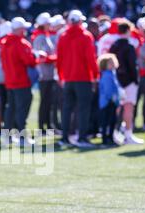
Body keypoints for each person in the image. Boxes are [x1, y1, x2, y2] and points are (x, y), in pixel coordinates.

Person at [57, 10, 99, 148]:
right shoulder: (86, 36)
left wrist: (61, 76)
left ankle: (64, 138)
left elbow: (60, 59)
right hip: (83, 78)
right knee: (83, 109)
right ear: (80, 21)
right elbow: (90, 59)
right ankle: (81, 138)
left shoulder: (63, 36)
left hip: (68, 78)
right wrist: (95, 75)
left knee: (67, 109)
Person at [0, 16, 40, 147]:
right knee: (21, 109)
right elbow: (29, 61)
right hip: (21, 81)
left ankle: (7, 137)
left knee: (10, 109)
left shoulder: (5, 42)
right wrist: (37, 57)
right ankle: (22, 138)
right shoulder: (21, 43)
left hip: (10, 81)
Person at [109, 21, 143, 144]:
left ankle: (115, 133)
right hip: (128, 82)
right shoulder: (129, 46)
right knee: (128, 108)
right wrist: (135, 80)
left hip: (117, 81)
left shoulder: (114, 45)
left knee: (118, 108)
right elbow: (132, 67)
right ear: (128, 30)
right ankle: (128, 135)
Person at [32, 12, 57, 132]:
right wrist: (56, 58)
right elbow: (41, 57)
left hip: (49, 73)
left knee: (49, 100)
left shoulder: (45, 36)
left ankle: (48, 124)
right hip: (43, 74)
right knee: (44, 101)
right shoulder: (39, 37)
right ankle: (42, 126)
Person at [98, 53, 120, 146]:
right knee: (106, 122)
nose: (112, 64)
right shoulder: (107, 75)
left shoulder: (112, 74)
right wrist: (112, 99)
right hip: (107, 102)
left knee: (112, 121)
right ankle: (105, 139)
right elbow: (108, 90)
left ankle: (110, 138)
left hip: (112, 102)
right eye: (110, 63)